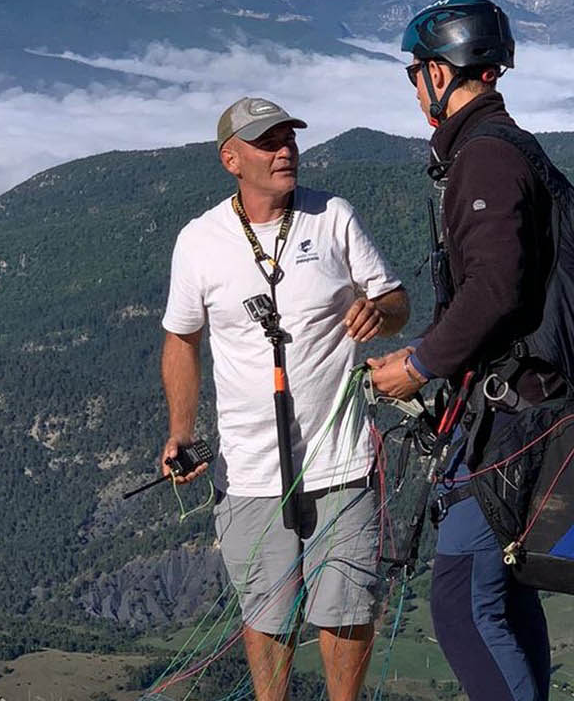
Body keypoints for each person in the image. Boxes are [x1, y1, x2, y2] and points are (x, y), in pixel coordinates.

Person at [160, 95, 410, 701]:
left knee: (346, 607)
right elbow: (181, 339)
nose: (285, 151)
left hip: (342, 457)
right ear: (231, 160)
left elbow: (398, 305)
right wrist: (181, 432)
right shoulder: (200, 241)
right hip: (248, 469)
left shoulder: (333, 218)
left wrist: (379, 310)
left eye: (289, 140)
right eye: (268, 143)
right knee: (266, 616)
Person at [369, 0, 559, 701]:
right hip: (522, 404)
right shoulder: (502, 145)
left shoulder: (482, 158)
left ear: (441, 73)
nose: (414, 85)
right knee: (502, 595)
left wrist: (418, 363)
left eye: (415, 71)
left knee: (460, 604)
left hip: (506, 422)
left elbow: (494, 291)